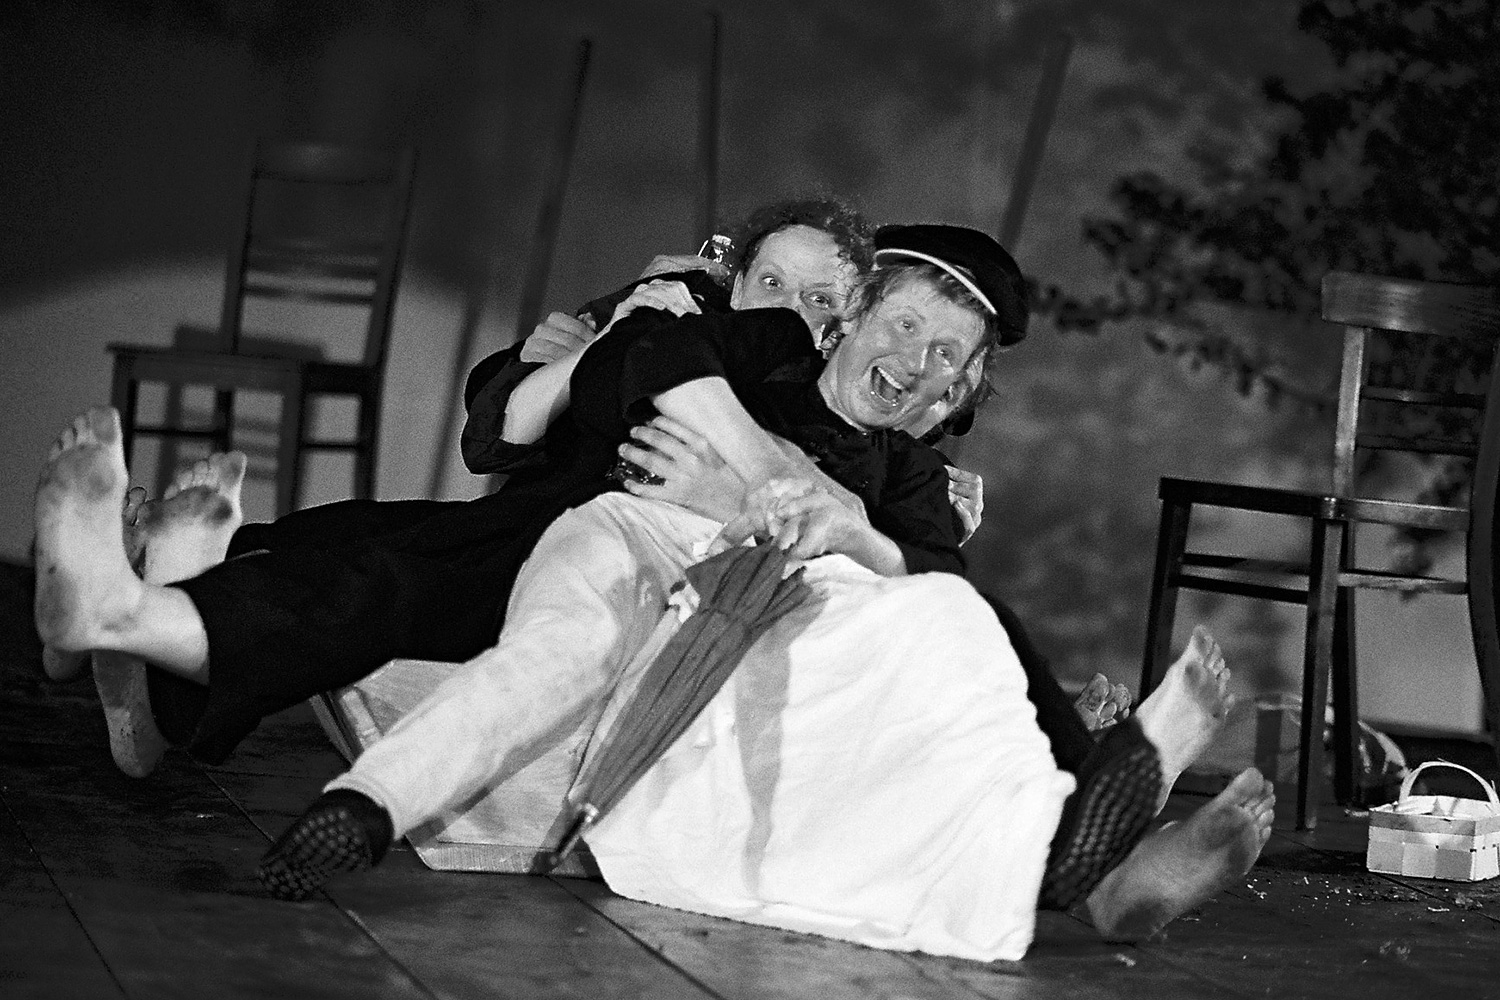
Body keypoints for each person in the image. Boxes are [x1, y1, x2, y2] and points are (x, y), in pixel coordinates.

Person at [240, 225, 1272, 958]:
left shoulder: (905, 474)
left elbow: (933, 580)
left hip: (769, 628)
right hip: (638, 547)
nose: (913, 362)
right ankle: (363, 809)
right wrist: (748, 469)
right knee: (552, 644)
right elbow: (653, 359)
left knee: (954, 626)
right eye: (905, 327)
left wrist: (847, 524)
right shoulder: (768, 356)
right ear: (852, 316)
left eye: (944, 356)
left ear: (954, 388)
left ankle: (1090, 855)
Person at [30, 198, 877, 779]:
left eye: (819, 298)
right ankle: (133, 672)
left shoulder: (813, 407)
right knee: (339, 533)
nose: (789, 309)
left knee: (376, 585)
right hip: (515, 519)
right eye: (771, 283)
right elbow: (493, 430)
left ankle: (125, 616)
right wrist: (611, 333)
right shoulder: (675, 328)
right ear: (732, 282)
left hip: (579, 564)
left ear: (845, 323)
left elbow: (829, 516)